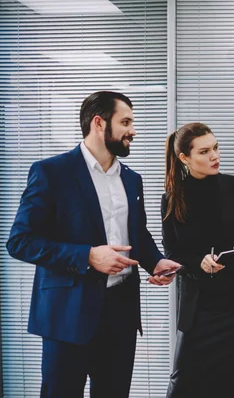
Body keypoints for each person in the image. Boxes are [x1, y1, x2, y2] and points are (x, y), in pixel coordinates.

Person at [6, 91, 181, 398]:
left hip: (121, 315)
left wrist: (155, 261)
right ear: (99, 124)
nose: (133, 131)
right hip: (67, 316)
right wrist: (87, 256)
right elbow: (20, 241)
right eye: (125, 122)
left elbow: (136, 234)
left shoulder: (131, 179)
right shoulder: (52, 172)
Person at [162, 122, 234, 397]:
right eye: (205, 151)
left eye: (216, 148)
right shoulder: (173, 198)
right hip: (200, 309)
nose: (214, 156)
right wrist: (199, 262)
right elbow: (172, 254)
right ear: (185, 158)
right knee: (184, 384)